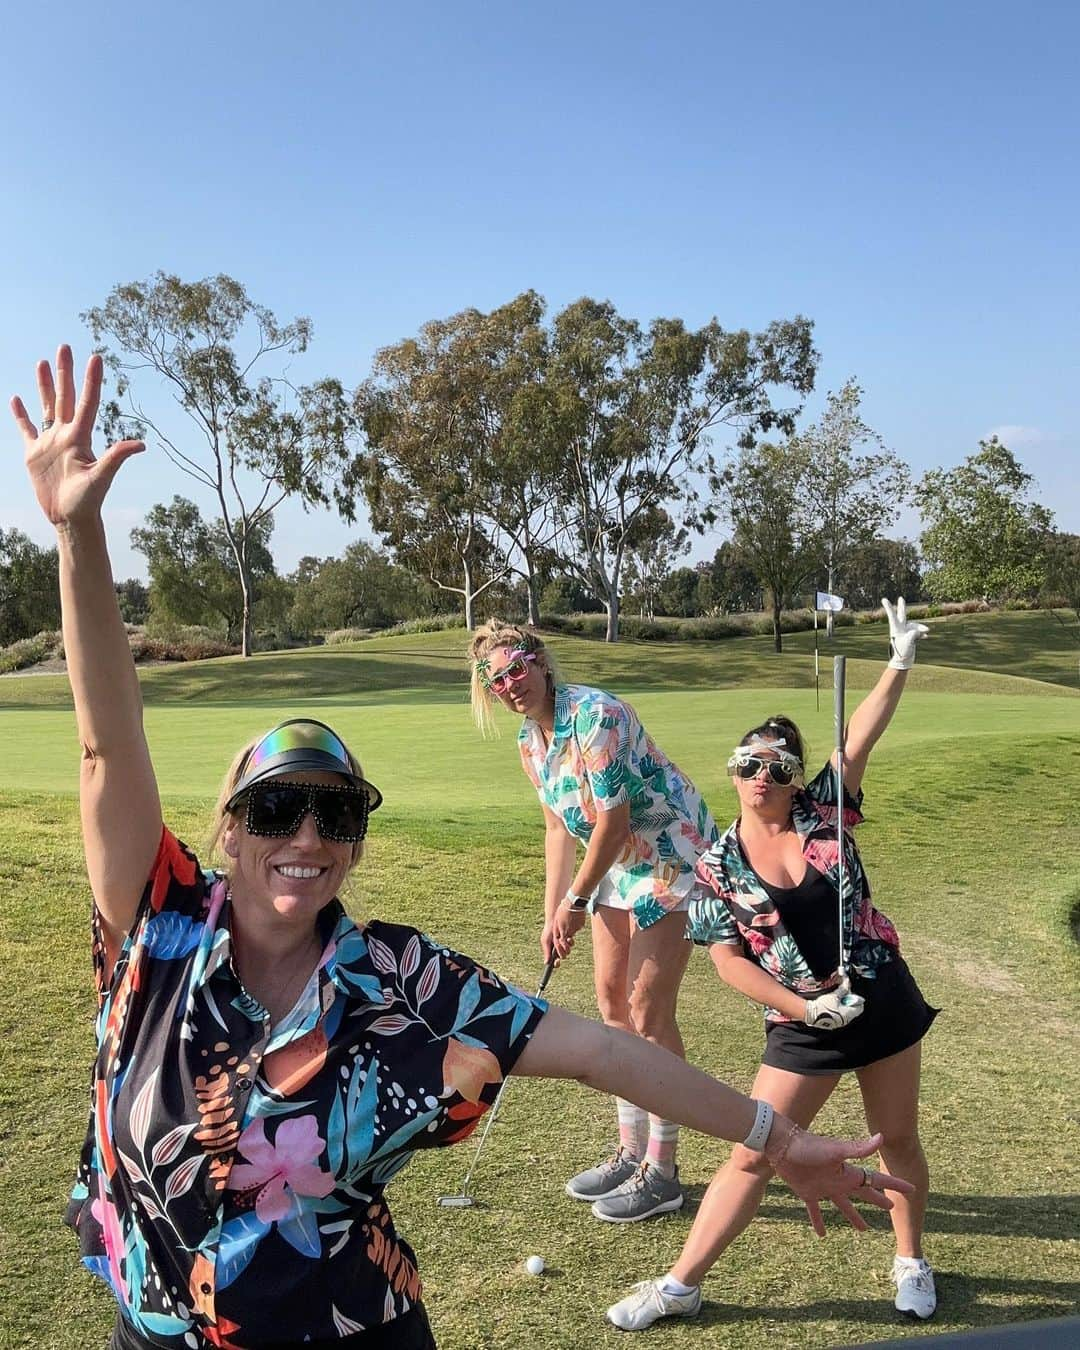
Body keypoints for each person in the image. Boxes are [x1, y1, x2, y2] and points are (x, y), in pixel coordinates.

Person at [13, 347, 913, 1350]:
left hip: (357, 1332)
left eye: (336, 814)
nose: (306, 837)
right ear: (229, 827)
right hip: (153, 1333)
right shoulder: (159, 922)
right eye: (275, 811)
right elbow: (106, 745)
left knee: (631, 1008)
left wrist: (777, 1138)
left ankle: (644, 1169)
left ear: (355, 839)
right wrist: (77, 532)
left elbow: (603, 1052)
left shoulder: (399, 976)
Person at [605, 600, 940, 1332]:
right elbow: (727, 961)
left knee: (899, 1139)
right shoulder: (713, 864)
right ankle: (681, 1284)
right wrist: (805, 1010)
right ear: (733, 773)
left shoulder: (826, 811)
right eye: (749, 764)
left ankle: (910, 1259)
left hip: (881, 997)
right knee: (752, 1154)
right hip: (803, 1022)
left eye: (777, 766)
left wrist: (899, 661)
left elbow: (857, 737)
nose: (762, 775)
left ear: (795, 778)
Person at [469, 622, 719, 1223]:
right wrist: (553, 909)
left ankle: (663, 1170)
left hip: (669, 853)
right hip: (617, 864)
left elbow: (612, 820)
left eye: (517, 669)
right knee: (611, 1005)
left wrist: (576, 903)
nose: (510, 685)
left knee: (646, 1008)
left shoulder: (595, 715)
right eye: (496, 679)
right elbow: (560, 827)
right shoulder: (531, 742)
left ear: (542, 663)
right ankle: (631, 1149)